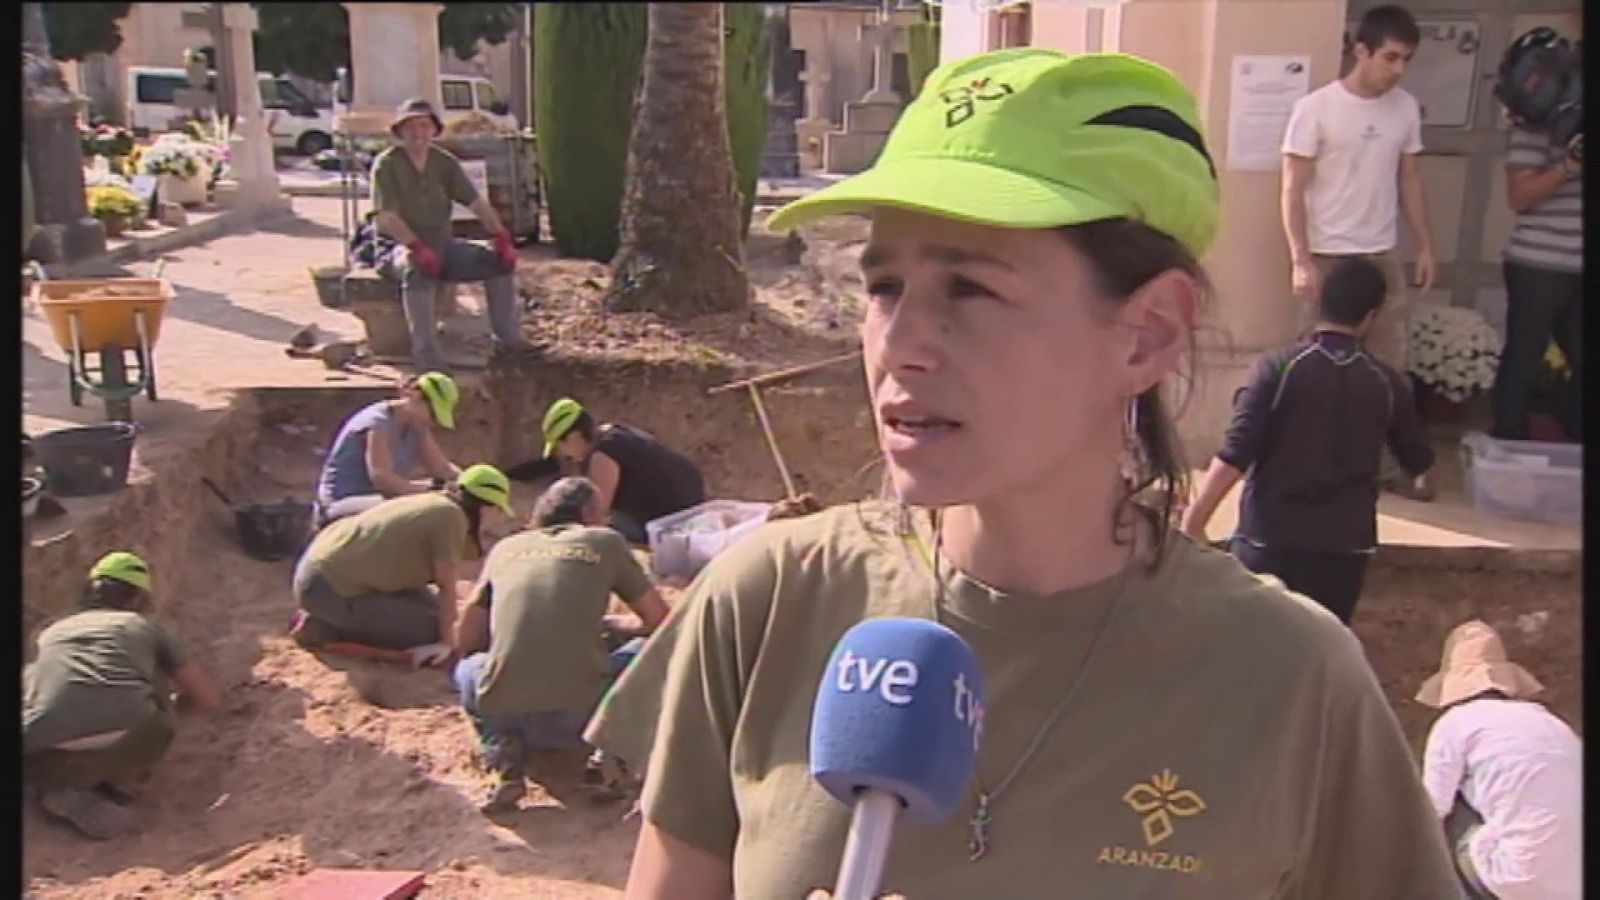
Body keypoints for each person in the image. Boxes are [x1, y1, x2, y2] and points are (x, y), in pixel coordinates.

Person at [583, 49, 1461, 898]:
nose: (900, 346)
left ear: (1149, 333)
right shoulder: (766, 602)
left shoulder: (1294, 680)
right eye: (884, 287)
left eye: (970, 289)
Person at [1180, 258, 1435, 625]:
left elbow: (1235, 452)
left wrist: (1195, 519)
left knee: (1254, 647)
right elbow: (1420, 464)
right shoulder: (1385, 383)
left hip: (1269, 543)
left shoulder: (1279, 368)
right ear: (1370, 317)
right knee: (1322, 651)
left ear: (1320, 304)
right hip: (1344, 551)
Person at [1281, 4, 1436, 497]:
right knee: (1313, 365)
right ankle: (1301, 464)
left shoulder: (1405, 109)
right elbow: (1292, 188)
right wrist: (1300, 258)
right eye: (1390, 57)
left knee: (1389, 365)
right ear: (1362, 51)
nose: (1398, 69)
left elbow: (1410, 180)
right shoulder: (1316, 109)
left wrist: (1425, 246)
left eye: (1406, 59)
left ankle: (1387, 468)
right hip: (1328, 253)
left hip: (1380, 253)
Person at [452, 476, 669, 812]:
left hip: (507, 714)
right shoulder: (605, 542)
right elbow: (661, 622)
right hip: (581, 721)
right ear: (589, 514)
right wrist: (619, 626)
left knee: (468, 667)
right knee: (652, 653)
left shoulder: (506, 549)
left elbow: (466, 637)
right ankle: (613, 756)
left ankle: (501, 751)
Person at [24, 552, 222, 840]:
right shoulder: (142, 627)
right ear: (137, 598)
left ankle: (60, 787)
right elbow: (208, 700)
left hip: (41, 750)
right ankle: (117, 781)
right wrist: (172, 705)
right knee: (154, 705)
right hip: (126, 735)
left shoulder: (48, 632)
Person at [371, 97, 539, 373]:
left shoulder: (444, 163)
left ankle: (508, 340)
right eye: (410, 127)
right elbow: (387, 218)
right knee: (417, 268)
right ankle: (426, 356)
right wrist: (416, 246)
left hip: (442, 245)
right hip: (398, 248)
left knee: (497, 262)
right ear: (400, 132)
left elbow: (476, 202)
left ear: (434, 130)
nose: (418, 133)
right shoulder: (387, 165)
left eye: (424, 126)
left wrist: (501, 238)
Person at [1416, 620, 1581, 899]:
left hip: (1516, 877)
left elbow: (1430, 812)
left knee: (1448, 806)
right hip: (1575, 882)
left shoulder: (1456, 723)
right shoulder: (1550, 721)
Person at [291, 464, 515, 667]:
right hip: (327, 587)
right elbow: (446, 586)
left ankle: (336, 618)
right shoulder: (451, 518)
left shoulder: (439, 504)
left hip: (327, 571)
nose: (496, 519)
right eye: (498, 510)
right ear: (485, 507)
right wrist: (448, 644)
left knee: (436, 612)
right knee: (430, 630)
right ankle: (322, 630)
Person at [1490, 75, 1583, 441]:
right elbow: (1519, 198)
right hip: (1538, 264)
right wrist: (1568, 166)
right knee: (1524, 360)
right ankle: (1507, 442)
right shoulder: (1535, 117)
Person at [538, 397, 706, 545]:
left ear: (574, 436)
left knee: (597, 524)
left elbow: (596, 516)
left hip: (670, 523)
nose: (563, 455)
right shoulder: (615, 433)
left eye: (560, 446)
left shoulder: (603, 456)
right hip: (694, 505)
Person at [314, 371, 462, 528]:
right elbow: (384, 481)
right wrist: (433, 491)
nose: (433, 422)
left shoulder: (418, 427)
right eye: (433, 414)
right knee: (422, 509)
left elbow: (441, 468)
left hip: (377, 500)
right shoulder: (377, 423)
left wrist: (467, 482)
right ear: (416, 396)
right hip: (341, 503)